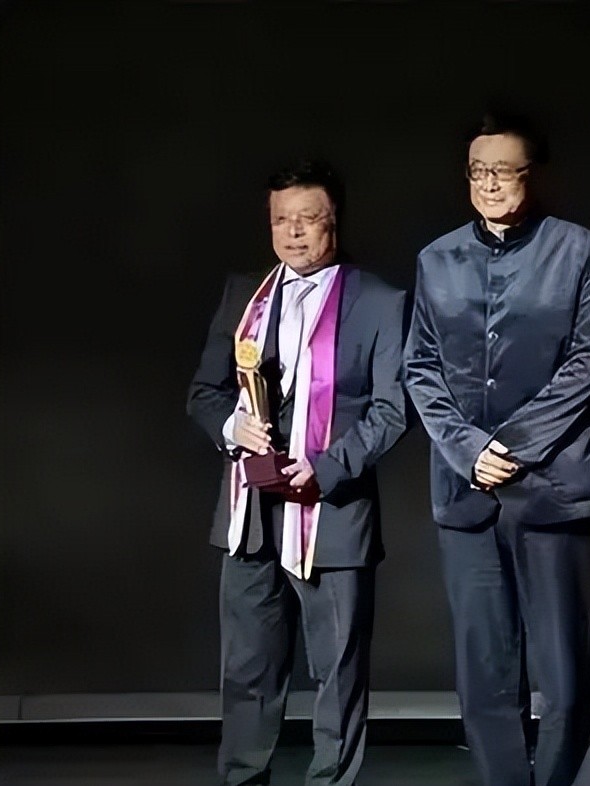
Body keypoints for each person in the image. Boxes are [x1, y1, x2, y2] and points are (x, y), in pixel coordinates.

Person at [403, 114, 590, 786]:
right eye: (478, 172)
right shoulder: (436, 259)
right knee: (484, 672)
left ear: (534, 174)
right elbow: (421, 368)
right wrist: (469, 450)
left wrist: (513, 445)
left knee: (564, 674)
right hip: (466, 492)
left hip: (553, 487)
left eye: (503, 170)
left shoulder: (579, 250)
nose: (489, 184)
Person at [187, 159, 408, 786]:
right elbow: (205, 394)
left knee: (337, 672)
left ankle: (331, 780)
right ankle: (242, 777)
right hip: (250, 515)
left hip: (331, 512)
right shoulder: (245, 296)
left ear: (334, 221)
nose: (293, 232)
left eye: (308, 219)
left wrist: (327, 468)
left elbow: (393, 410)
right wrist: (233, 427)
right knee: (247, 670)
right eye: (281, 220)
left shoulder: (379, 302)